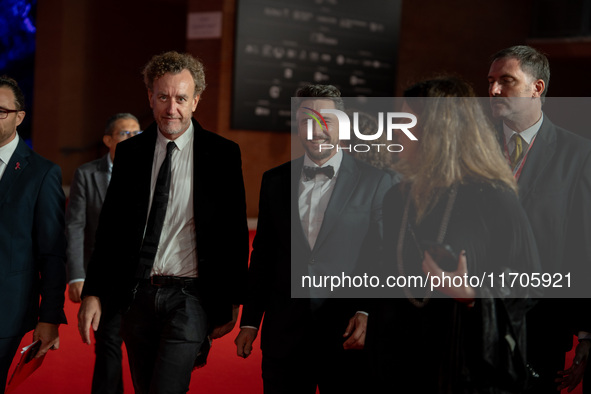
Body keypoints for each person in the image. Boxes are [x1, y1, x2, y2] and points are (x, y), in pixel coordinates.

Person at [77, 51, 249, 394]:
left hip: (191, 297)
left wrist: (231, 301)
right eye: (163, 97)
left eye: (182, 98)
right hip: (136, 294)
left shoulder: (223, 154)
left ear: (196, 100)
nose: (172, 109)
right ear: (150, 99)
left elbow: (234, 233)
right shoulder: (130, 154)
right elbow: (109, 231)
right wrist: (94, 292)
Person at [366, 77, 541, 393]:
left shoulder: (494, 197)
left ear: (437, 132)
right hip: (400, 364)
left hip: (462, 366)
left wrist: (472, 295)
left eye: (405, 124)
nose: (394, 132)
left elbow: (529, 283)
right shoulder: (397, 198)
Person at [234, 84, 394, 393]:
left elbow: (382, 255)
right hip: (284, 333)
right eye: (307, 119)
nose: (316, 129)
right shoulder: (275, 180)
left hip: (346, 333)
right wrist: (250, 321)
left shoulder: (376, 181)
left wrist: (366, 311)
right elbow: (264, 254)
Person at [487, 45, 591, 393]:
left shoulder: (578, 155)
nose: (494, 91)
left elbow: (582, 243)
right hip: (472, 319)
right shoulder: (473, 148)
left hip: (541, 326)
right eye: (491, 82)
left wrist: (586, 332)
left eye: (506, 81)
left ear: (537, 88)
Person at [0, 76, 67, 392]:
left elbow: (52, 252)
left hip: (6, 312)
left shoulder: (42, 173)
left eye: (0, 110)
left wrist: (49, 317)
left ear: (19, 116)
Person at [66, 113, 140, 393]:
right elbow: (75, 226)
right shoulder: (87, 174)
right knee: (108, 342)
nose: (132, 139)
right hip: (104, 276)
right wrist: (76, 275)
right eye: (125, 134)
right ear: (108, 140)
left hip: (140, 277)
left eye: (137, 134)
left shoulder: (150, 172)